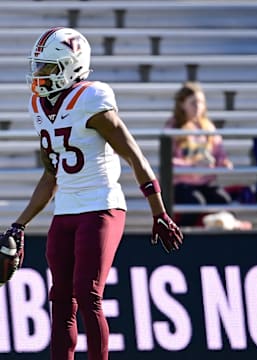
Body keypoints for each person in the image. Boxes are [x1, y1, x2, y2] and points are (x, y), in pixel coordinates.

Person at [0, 27, 183, 360]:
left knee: (88, 294)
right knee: (60, 300)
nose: (39, 75)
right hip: (66, 209)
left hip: (101, 206)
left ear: (72, 66)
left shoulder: (92, 98)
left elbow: (133, 154)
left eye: (48, 68)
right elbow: (52, 173)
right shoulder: (38, 106)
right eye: (38, 67)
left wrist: (159, 211)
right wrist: (20, 223)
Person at [165, 81, 252, 229]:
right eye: (193, 103)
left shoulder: (208, 127)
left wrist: (223, 162)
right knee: (195, 204)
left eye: (201, 102)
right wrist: (192, 165)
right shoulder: (174, 127)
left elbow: (219, 153)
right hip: (182, 185)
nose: (198, 107)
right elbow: (168, 161)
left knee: (224, 201)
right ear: (182, 104)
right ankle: (178, 238)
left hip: (206, 183)